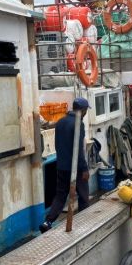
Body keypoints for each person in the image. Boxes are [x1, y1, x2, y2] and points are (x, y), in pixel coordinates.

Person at [39, 97, 91, 233]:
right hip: (76, 168)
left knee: (60, 195)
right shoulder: (79, 124)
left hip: (61, 166)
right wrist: (84, 169)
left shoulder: (60, 122)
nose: (86, 113)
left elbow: (57, 145)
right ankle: (83, 225)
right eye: (86, 110)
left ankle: (47, 221)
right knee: (83, 196)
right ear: (83, 110)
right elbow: (79, 150)